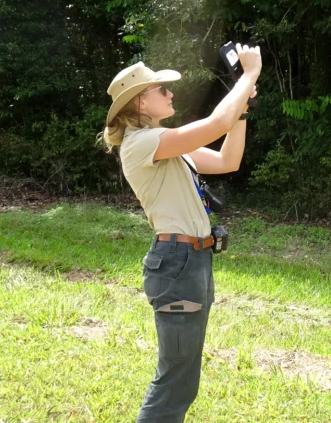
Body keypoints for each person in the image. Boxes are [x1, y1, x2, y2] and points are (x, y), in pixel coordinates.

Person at [98, 44, 261, 422]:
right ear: (139, 104)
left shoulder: (167, 145)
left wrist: (242, 109)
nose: (171, 94)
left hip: (192, 262)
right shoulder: (142, 144)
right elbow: (216, 124)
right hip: (177, 264)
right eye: (162, 90)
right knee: (175, 379)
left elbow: (226, 160)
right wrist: (248, 75)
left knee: (183, 379)